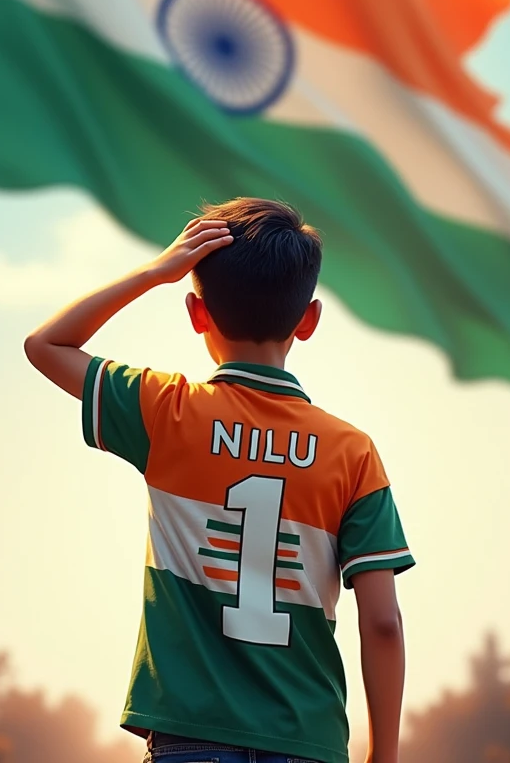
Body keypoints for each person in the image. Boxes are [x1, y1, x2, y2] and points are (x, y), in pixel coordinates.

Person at [24, 197, 414, 763]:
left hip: (190, 739)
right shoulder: (353, 454)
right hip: (308, 742)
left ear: (196, 312)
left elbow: (46, 345)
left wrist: (155, 271)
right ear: (307, 321)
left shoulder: (166, 410)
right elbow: (382, 623)